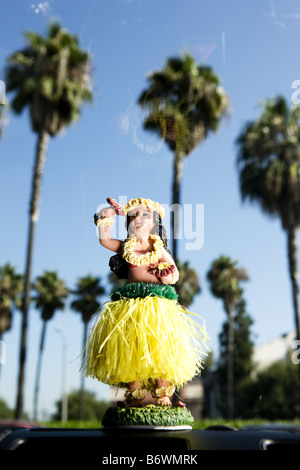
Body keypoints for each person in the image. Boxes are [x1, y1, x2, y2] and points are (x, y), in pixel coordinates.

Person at [82, 197, 208, 407]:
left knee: (160, 349)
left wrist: (166, 275)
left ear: (154, 222)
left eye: (145, 215)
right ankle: (134, 394)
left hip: (157, 306)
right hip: (130, 305)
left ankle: (163, 394)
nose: (138, 219)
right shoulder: (127, 247)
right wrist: (105, 217)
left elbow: (173, 273)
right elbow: (105, 240)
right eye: (133, 216)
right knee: (130, 349)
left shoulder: (158, 248)